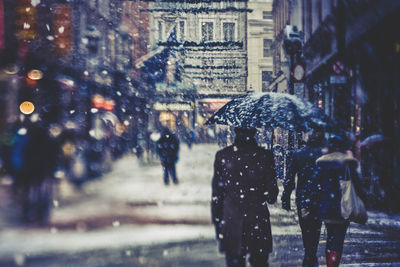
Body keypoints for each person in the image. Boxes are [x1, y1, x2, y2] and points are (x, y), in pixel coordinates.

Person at [211, 127, 279, 267]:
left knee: (235, 262)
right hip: (257, 220)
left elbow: (217, 195)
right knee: (259, 262)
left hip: (231, 220)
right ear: (254, 133)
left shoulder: (223, 156)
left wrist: (218, 223)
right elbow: (272, 196)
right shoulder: (265, 156)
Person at [315, 135, 366, 267]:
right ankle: (333, 264)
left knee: (330, 235)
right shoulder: (348, 163)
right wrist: (364, 200)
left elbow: (316, 185)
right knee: (338, 238)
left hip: (326, 205)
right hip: (344, 205)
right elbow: (358, 185)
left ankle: (329, 262)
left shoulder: (321, 162)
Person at [281, 131, 325, 267]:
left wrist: (286, 196)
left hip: (303, 198)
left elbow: (290, 178)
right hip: (319, 197)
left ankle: (309, 255)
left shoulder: (298, 154)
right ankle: (311, 255)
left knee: (306, 229)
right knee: (316, 228)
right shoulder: (324, 155)